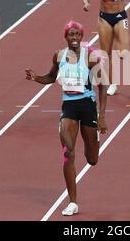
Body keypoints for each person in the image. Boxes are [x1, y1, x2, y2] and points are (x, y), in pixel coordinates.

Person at [25, 20, 108, 216]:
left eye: (77, 35)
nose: (74, 38)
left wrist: (101, 116)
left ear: (82, 37)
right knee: (68, 154)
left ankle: (94, 140)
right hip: (69, 107)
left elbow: (103, 86)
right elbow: (52, 77)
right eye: (71, 35)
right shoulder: (59, 56)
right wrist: (36, 77)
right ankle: (73, 202)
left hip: (88, 107)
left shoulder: (90, 57)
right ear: (65, 37)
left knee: (92, 159)